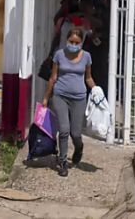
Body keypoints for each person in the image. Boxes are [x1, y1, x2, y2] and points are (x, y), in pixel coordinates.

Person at [43, 27, 96, 177]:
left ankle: (79, 148)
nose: (73, 44)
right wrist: (46, 98)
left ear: (81, 42)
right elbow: (53, 77)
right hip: (60, 95)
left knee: (76, 133)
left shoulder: (86, 57)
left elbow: (88, 78)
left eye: (76, 42)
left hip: (79, 98)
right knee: (64, 129)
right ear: (66, 40)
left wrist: (96, 91)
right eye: (71, 41)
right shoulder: (59, 55)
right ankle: (63, 162)